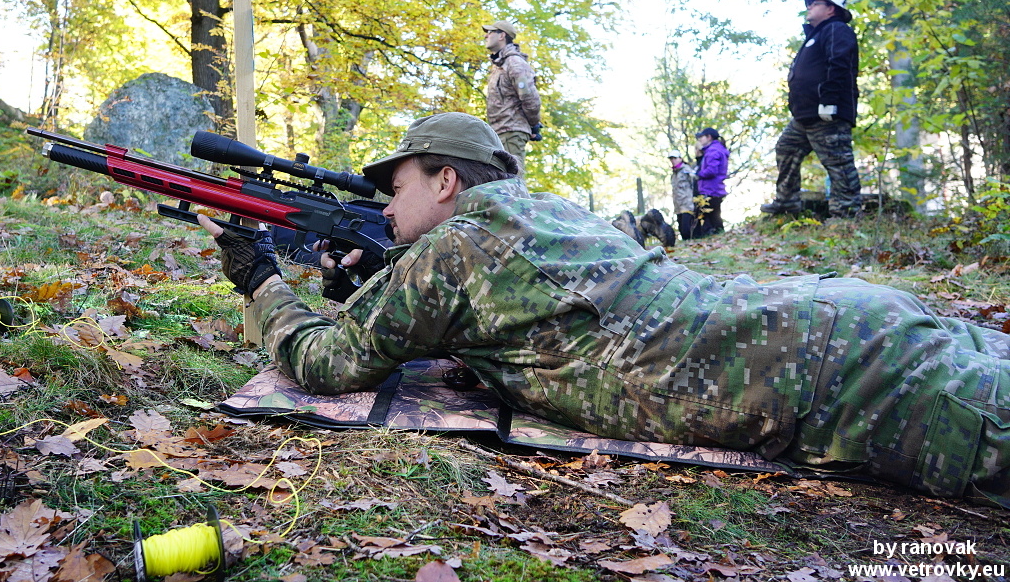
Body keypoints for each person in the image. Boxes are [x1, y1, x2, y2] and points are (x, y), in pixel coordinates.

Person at [200, 113, 1009, 507]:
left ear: (446, 181)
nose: (384, 207)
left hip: (856, 385)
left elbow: (328, 363)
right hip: (847, 321)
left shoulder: (455, 249)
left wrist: (260, 278)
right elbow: (507, 319)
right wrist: (364, 288)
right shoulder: (545, 211)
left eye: (398, 186)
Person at [761, 0, 862, 218]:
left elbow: (839, 64)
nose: (809, 6)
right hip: (805, 114)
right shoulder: (816, 35)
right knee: (786, 148)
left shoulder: (837, 29)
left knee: (837, 161)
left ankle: (846, 213)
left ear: (831, 8)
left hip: (827, 112)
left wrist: (829, 101)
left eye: (815, 3)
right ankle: (786, 203)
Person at [483, 19, 542, 173]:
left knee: (512, 180)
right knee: (501, 180)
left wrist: (534, 124)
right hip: (499, 133)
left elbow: (529, 98)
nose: (486, 36)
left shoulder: (515, 63)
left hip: (511, 132)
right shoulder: (500, 66)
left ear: (502, 35)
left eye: (490, 32)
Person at [691, 127, 728, 237]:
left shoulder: (713, 150)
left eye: (701, 137)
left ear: (709, 137)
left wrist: (697, 174)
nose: (700, 139)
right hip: (715, 189)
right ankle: (720, 238)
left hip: (711, 189)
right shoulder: (716, 149)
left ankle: (715, 239)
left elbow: (711, 171)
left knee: (710, 220)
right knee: (715, 217)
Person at [667, 150, 697, 240]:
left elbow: (694, 184)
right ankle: (687, 244)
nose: (673, 160)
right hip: (677, 206)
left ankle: (692, 243)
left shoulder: (686, 170)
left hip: (687, 204)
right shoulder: (673, 174)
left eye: (675, 158)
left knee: (686, 229)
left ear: (680, 158)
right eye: (671, 158)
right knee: (681, 229)